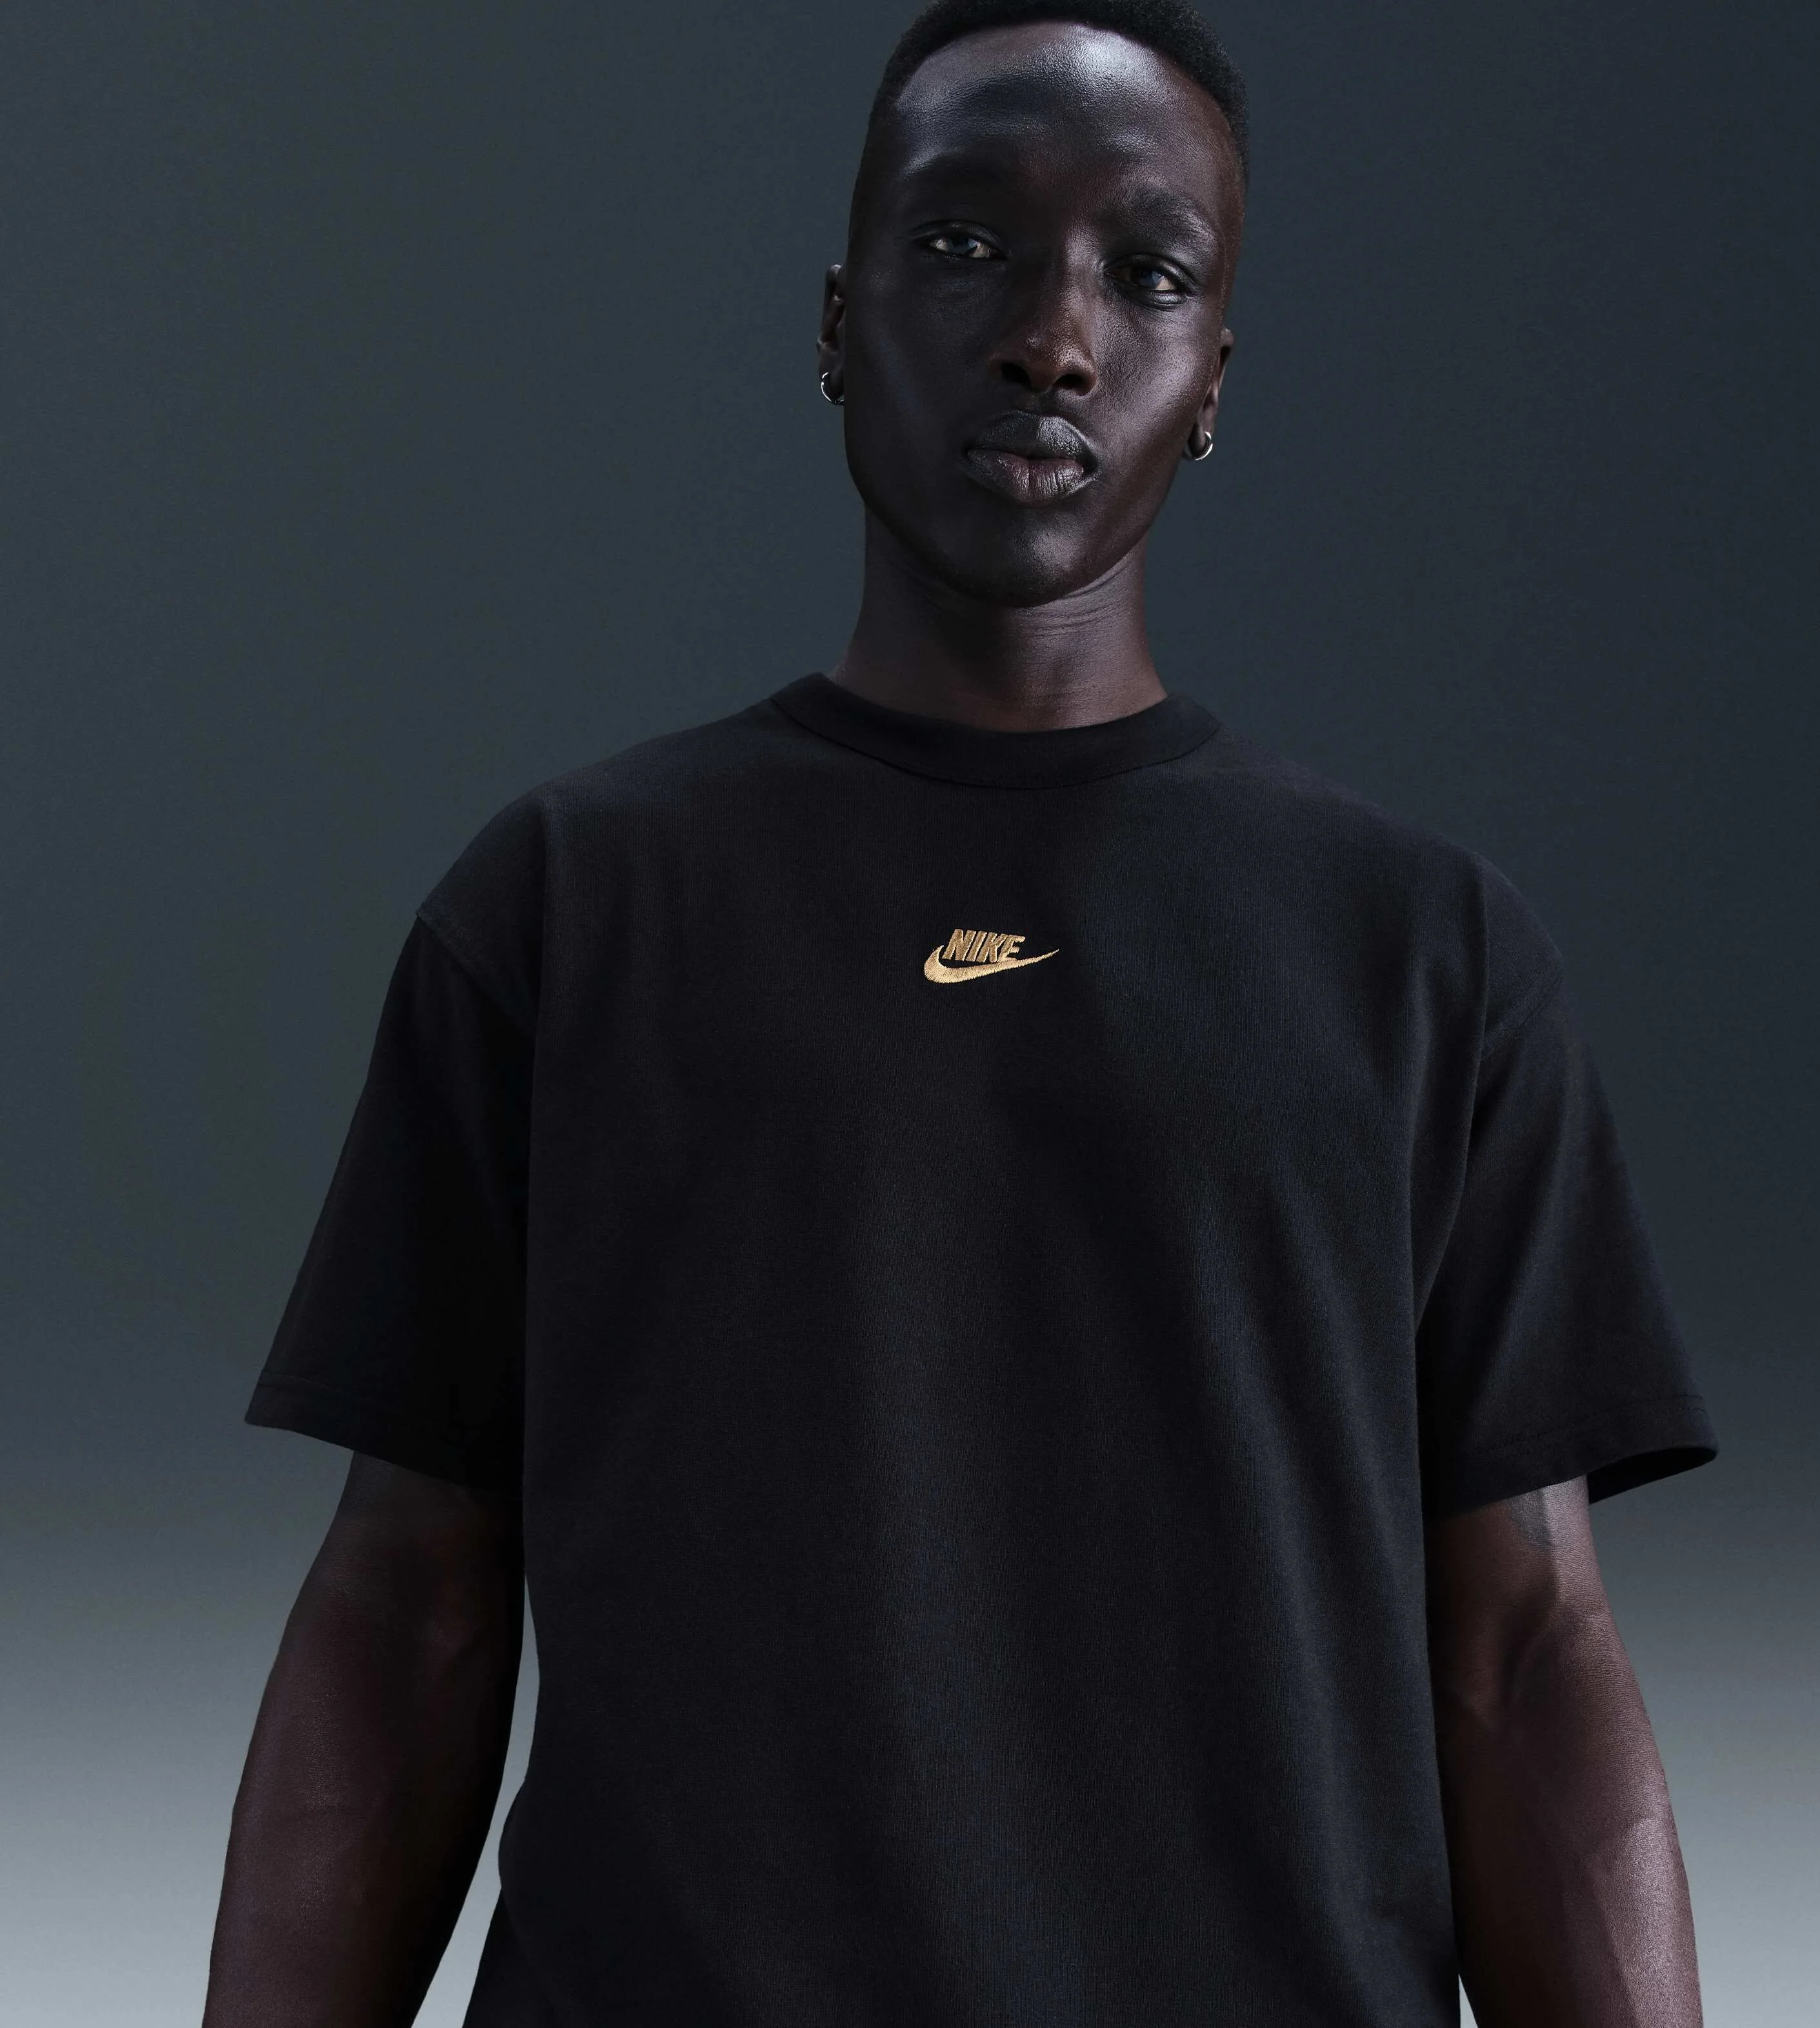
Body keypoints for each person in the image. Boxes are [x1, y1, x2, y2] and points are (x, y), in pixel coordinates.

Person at [205, 3, 1718, 2023]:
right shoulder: (568, 907)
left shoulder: (1424, 956)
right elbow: (406, 1606)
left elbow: (1524, 1652)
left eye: (1147, 273)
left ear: (1213, 381)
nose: (1053, 338)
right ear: (839, 323)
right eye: (964, 244)